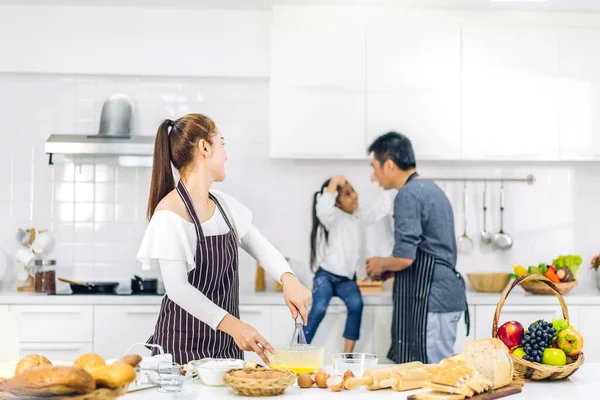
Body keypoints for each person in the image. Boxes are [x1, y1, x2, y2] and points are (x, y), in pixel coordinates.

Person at [136, 113, 311, 365]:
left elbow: (262, 249)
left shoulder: (224, 206)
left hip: (226, 348)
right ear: (204, 148)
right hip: (182, 351)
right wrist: (235, 326)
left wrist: (289, 279)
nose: (226, 154)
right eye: (222, 143)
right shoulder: (169, 213)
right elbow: (178, 289)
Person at [365, 132, 468, 365]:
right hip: (439, 296)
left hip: (433, 298)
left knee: (435, 377)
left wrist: (380, 263)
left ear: (389, 165)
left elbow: (404, 257)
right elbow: (426, 249)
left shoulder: (408, 194)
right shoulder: (428, 189)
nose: (373, 176)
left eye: (375, 167)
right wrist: (392, 268)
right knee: (435, 373)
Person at [304, 176, 394, 353]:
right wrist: (333, 184)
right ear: (337, 204)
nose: (354, 195)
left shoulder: (361, 215)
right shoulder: (334, 217)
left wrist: (383, 183)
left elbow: (381, 208)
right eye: (347, 194)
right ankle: (298, 350)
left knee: (356, 305)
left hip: (346, 280)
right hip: (326, 276)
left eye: (353, 190)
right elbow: (322, 209)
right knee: (319, 308)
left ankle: (347, 355)